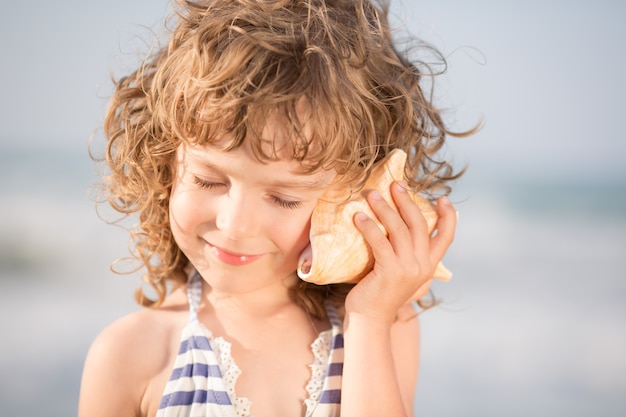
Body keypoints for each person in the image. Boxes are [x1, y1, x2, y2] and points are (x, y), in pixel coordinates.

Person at [79, 0, 472, 416]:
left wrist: (371, 320)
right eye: (208, 179)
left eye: (283, 197)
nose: (234, 223)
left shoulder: (383, 325)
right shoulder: (130, 355)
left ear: (347, 194)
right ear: (164, 161)